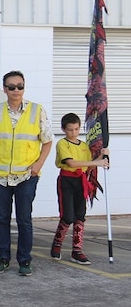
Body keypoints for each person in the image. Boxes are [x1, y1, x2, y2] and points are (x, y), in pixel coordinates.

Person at [0, 70, 53, 276]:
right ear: (4, 89)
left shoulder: (37, 111)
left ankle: (24, 260)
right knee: (2, 218)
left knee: (24, 219)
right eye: (11, 87)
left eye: (20, 86)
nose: (16, 90)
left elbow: (47, 141)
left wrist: (37, 166)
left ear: (24, 87)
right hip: (0, 176)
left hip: (26, 176)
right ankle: (2, 258)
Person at [51, 112, 109, 264]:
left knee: (80, 215)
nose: (74, 132)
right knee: (68, 215)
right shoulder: (62, 144)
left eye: (76, 129)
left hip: (80, 181)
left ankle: (77, 250)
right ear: (64, 129)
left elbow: (88, 164)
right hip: (67, 180)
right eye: (70, 129)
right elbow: (71, 163)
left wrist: (102, 157)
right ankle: (57, 243)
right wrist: (96, 163)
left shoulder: (83, 145)